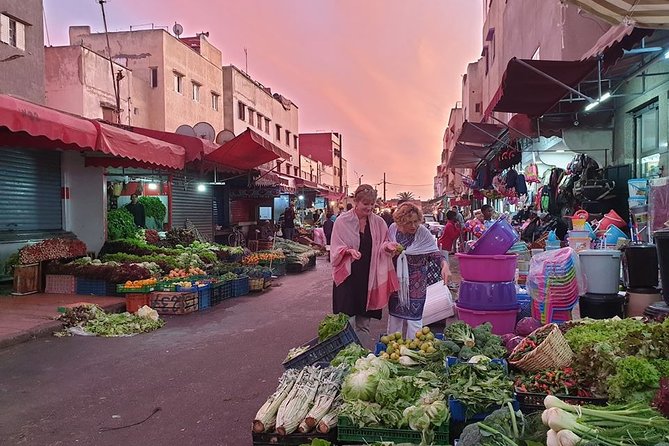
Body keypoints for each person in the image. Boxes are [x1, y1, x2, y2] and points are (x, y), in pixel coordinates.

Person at [331, 185, 399, 344]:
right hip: (347, 277)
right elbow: (335, 247)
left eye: (372, 204)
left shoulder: (379, 222)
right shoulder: (342, 221)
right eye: (365, 204)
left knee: (364, 322)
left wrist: (388, 247)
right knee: (345, 320)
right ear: (356, 201)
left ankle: (361, 356)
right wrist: (347, 251)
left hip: (369, 277)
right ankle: (345, 355)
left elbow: (384, 243)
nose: (369, 208)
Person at [387, 202, 450, 339]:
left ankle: (413, 352)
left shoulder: (423, 233)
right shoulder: (392, 230)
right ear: (400, 221)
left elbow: (435, 254)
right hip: (396, 283)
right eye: (408, 222)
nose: (413, 226)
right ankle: (391, 349)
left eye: (416, 221)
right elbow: (384, 249)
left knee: (415, 321)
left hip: (417, 284)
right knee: (394, 320)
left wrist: (444, 265)